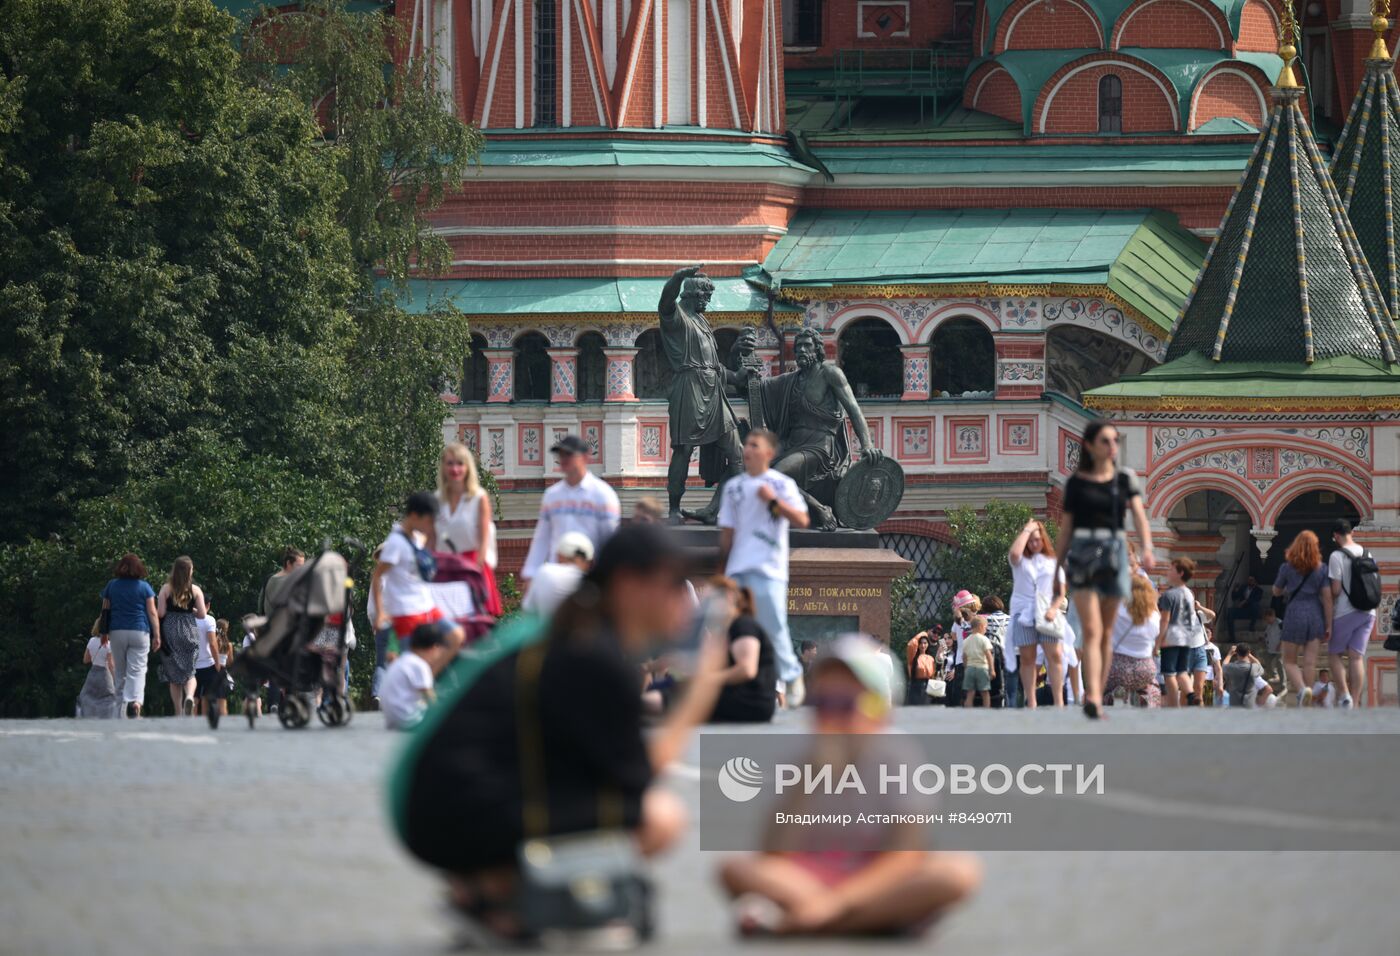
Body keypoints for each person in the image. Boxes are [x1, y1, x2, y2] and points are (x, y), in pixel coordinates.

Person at [393, 523, 727, 944]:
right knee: (659, 819)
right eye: (673, 584)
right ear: (627, 584)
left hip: (426, 802)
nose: (686, 599)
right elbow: (639, 776)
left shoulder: (572, 633)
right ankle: (498, 893)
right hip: (442, 816)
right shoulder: (595, 656)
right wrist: (699, 695)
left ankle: (492, 890)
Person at [717, 636, 981, 937]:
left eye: (846, 705)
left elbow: (903, 855)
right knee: (734, 868)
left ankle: (804, 922)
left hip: (877, 878)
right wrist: (808, 779)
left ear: (879, 711)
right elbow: (773, 852)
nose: (832, 716)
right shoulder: (804, 756)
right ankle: (868, 921)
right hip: (813, 877)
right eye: (822, 704)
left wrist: (836, 902)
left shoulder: (896, 756)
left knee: (957, 872)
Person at [1051, 419, 1156, 719]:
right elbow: (1067, 527)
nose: (1112, 448)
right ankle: (1093, 698)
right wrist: (1056, 566)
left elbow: (1138, 515)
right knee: (1092, 630)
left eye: (1115, 442)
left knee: (1106, 632)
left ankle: (1095, 693)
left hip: (1115, 552)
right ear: (1089, 446)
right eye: (1105, 442)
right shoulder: (1076, 482)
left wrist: (1147, 547)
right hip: (1084, 552)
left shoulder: (1125, 478)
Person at [718, 428, 811, 707]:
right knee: (733, 627)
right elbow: (727, 533)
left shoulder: (782, 484)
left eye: (754, 445)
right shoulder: (733, 487)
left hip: (769, 569)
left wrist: (772, 500)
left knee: (773, 625)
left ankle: (792, 676)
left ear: (769, 453)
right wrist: (721, 571)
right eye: (746, 444)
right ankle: (742, 684)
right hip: (737, 570)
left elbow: (802, 520)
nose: (747, 449)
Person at [520, 434, 621, 589]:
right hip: (557, 578)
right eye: (561, 454)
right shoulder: (552, 496)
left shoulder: (602, 495)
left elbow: (609, 541)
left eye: (569, 454)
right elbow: (542, 538)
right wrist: (531, 574)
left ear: (585, 457)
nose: (564, 459)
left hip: (589, 578)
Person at [372, 492, 444, 656]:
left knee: (454, 636)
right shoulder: (396, 542)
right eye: (428, 521)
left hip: (424, 606)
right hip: (406, 610)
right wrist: (380, 612)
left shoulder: (416, 539)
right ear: (414, 516)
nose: (431, 526)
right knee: (413, 657)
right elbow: (378, 576)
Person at [437, 441, 501, 615]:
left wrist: (475, 572)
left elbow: (484, 541)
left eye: (460, 463)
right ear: (443, 467)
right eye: (450, 463)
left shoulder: (479, 498)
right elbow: (431, 539)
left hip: (471, 566)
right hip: (444, 568)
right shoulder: (437, 500)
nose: (455, 469)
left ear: (467, 468)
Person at [1008, 519, 1065, 710]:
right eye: (1031, 540)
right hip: (1023, 612)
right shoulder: (1021, 562)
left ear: (1043, 540)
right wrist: (1028, 528)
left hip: (1047, 611)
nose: (1034, 543)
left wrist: (1053, 608)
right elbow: (1015, 553)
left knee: (1054, 656)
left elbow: (1060, 591)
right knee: (1028, 659)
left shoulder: (1052, 562)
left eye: (1038, 539)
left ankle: (1059, 701)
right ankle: (1031, 701)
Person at [1272, 530, 1332, 707]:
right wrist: (1329, 625)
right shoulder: (1322, 569)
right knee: (1310, 661)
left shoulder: (1287, 567)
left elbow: (1276, 591)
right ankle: (1309, 694)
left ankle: (1301, 690)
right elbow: (1327, 598)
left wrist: (1284, 589)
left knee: (1289, 660)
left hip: (1294, 612)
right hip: (1315, 614)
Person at [707, 577, 778, 723]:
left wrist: (707, 680)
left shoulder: (743, 625)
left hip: (750, 702)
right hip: (747, 701)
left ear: (728, 596)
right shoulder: (731, 628)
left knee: (681, 694)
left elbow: (747, 670)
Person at [100, 553, 160, 719]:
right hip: (139, 631)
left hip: (117, 631)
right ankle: (135, 702)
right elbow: (152, 612)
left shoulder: (111, 586)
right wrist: (157, 635)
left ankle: (120, 709)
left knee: (120, 671)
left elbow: (104, 610)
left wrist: (103, 632)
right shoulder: (144, 587)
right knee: (138, 669)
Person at [1327, 519, 1374, 709]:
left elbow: (1336, 589)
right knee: (1356, 657)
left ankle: (1345, 694)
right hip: (1368, 612)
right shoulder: (1366, 552)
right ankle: (1355, 702)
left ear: (1336, 536)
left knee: (1334, 654)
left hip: (1346, 611)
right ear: (1351, 533)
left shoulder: (1337, 556)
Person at [382, 620, 463, 730]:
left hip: (393, 719)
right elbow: (430, 697)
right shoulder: (419, 665)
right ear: (434, 648)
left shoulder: (403, 660)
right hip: (408, 719)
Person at [1157, 558, 1212, 707]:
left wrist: (1158, 641)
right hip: (1185, 640)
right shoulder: (1189, 593)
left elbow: (1164, 621)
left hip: (1171, 639)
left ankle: (1174, 707)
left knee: (1170, 675)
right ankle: (1191, 694)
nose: (1168, 572)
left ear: (1180, 573)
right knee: (1181, 672)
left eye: (1171, 569)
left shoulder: (1169, 595)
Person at [157, 556, 207, 716]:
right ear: (189, 571)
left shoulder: (166, 588)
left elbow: (161, 613)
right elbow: (202, 615)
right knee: (190, 672)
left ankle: (178, 711)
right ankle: (190, 697)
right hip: (189, 631)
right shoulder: (196, 590)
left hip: (170, 632)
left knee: (173, 675)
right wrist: (191, 611)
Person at [1104, 573, 1162, 708]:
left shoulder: (1117, 610)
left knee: (1104, 688)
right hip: (1145, 667)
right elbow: (1157, 636)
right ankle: (1148, 703)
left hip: (1117, 667)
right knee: (1152, 687)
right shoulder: (1154, 617)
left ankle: (1110, 701)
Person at [519, 531, 593, 619]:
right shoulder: (594, 584)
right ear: (588, 561)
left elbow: (527, 612)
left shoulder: (544, 573)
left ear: (560, 556)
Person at [945, 592, 981, 708]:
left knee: (960, 695)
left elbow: (954, 637)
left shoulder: (958, 622)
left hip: (961, 661)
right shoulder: (978, 620)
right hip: (976, 661)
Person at [195, 618, 233, 719]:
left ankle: (204, 718)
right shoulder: (229, 645)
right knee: (222, 698)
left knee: (204, 697)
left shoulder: (214, 640)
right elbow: (230, 662)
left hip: (212, 667)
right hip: (222, 671)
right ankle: (224, 720)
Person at [78, 621, 117, 719]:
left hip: (93, 675)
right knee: (109, 701)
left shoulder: (91, 641)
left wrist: (96, 655)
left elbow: (85, 660)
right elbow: (111, 664)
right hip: (105, 676)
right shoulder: (109, 644)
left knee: (87, 698)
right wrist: (116, 679)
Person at [961, 616, 996, 709]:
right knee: (985, 692)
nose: (986, 629)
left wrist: (966, 668)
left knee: (970, 693)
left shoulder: (966, 640)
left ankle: (968, 711)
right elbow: (989, 655)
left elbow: (964, 656)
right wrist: (992, 669)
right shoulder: (984, 639)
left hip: (970, 668)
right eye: (985, 627)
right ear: (980, 626)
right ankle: (986, 710)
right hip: (982, 668)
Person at [1227, 576, 1263, 641]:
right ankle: (1231, 637)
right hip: (1243, 610)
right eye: (1249, 580)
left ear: (1255, 581)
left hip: (1252, 611)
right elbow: (1234, 598)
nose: (1250, 581)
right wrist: (1235, 589)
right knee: (1230, 612)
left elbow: (1256, 599)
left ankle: (1252, 626)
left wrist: (1245, 601)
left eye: (1252, 580)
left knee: (1255, 605)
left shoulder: (1259, 590)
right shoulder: (1243, 588)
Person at [906, 633, 936, 706]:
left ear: (928, 644)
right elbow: (910, 644)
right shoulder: (913, 657)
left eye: (925, 643)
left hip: (928, 686)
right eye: (921, 643)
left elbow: (933, 674)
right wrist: (925, 633)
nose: (923, 645)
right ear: (918, 644)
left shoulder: (931, 658)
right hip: (916, 685)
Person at [1259, 608, 1284, 687]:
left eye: (1267, 618)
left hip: (1280, 649)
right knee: (1268, 663)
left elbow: (1285, 634)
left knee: (1279, 664)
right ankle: (1274, 677)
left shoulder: (1280, 623)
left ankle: (1282, 682)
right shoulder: (1269, 625)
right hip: (1271, 649)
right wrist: (1262, 639)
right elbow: (1267, 634)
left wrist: (1280, 644)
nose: (1267, 621)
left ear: (1272, 616)